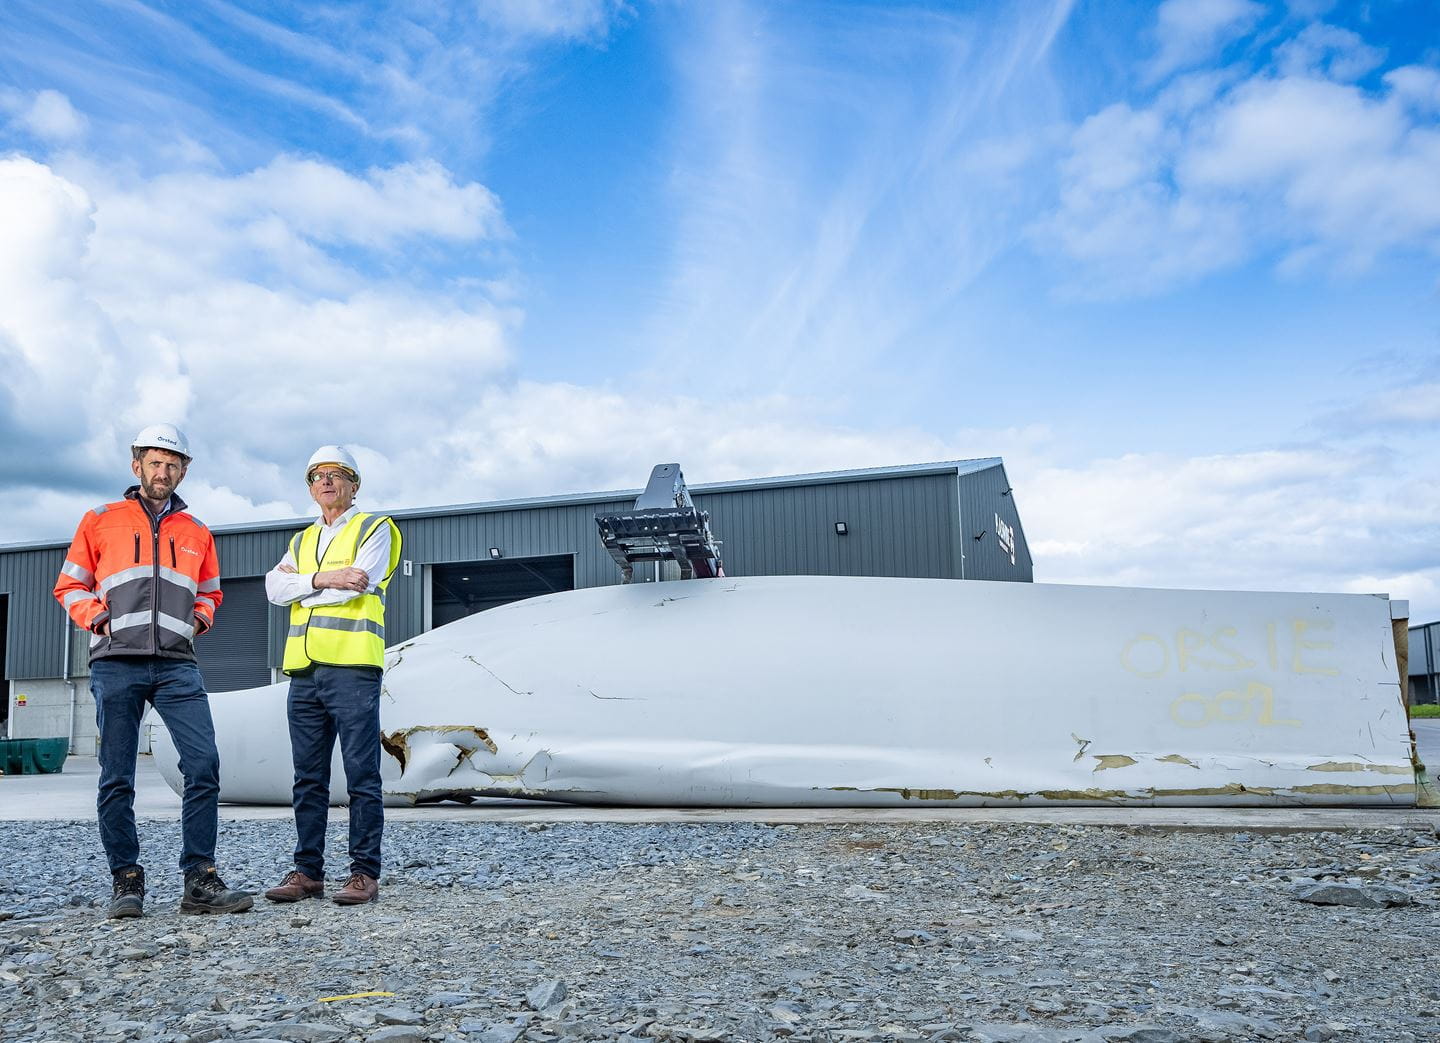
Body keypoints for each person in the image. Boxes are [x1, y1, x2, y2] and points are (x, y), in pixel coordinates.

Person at [54, 423, 253, 918]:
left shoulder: (198, 532)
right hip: (116, 662)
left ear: (184, 470)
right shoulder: (100, 519)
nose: (163, 471)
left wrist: (199, 620)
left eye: (173, 463)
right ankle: (126, 879)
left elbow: (210, 591)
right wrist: (99, 619)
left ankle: (199, 880)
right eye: (154, 462)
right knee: (116, 777)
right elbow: (70, 586)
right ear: (136, 464)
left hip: (176, 664)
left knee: (203, 765)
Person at [262, 445, 401, 906]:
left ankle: (364, 872)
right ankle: (308, 872)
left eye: (336, 474)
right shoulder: (302, 540)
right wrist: (324, 579)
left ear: (354, 484)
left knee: (362, 773)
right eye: (316, 475)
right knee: (308, 777)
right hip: (304, 671)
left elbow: (359, 583)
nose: (325, 481)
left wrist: (305, 586)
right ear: (310, 487)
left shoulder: (376, 528)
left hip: (352, 667)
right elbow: (273, 588)